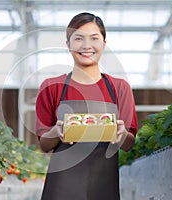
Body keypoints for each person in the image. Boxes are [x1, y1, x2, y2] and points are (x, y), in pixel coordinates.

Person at [35, 12, 138, 200]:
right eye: (78, 38)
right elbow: (44, 144)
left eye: (94, 38)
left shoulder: (119, 88)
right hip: (61, 187)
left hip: (103, 184)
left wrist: (122, 134)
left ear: (104, 44)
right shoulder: (51, 87)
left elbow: (129, 144)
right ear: (68, 44)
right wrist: (55, 132)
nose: (86, 45)